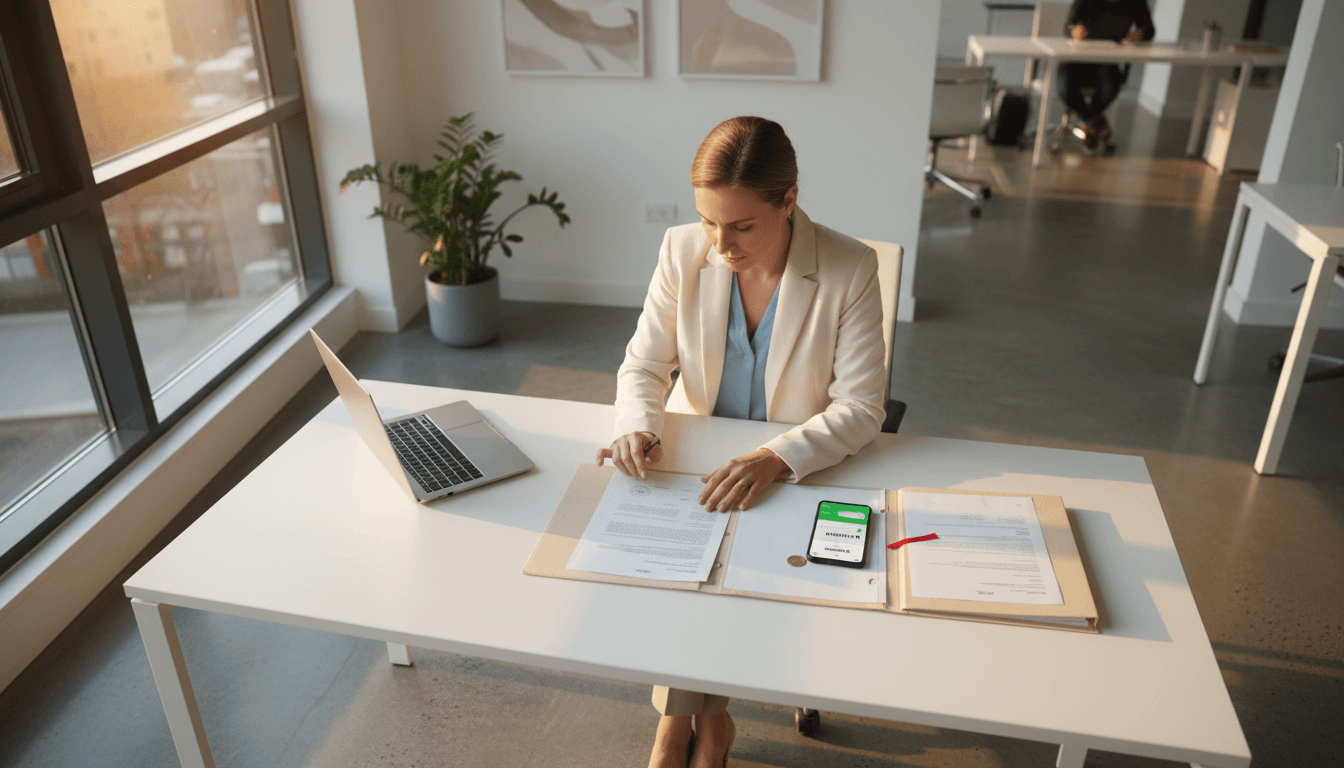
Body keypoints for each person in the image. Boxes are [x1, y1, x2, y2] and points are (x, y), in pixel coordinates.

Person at [596, 116, 887, 768]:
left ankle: (686, 725)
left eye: (741, 226)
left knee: (726, 567)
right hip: (691, 457)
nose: (720, 244)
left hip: (794, 467)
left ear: (789, 200)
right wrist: (637, 425)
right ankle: (699, 721)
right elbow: (645, 365)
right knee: (677, 561)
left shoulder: (850, 267)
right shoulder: (682, 249)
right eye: (708, 221)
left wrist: (776, 457)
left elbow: (862, 406)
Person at [1059, 0, 1155, 151]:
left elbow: (1149, 29)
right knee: (1064, 88)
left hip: (1108, 59)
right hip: (1076, 57)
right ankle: (1096, 123)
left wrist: (1140, 33)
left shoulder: (1136, 2)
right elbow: (1068, 27)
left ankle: (1090, 124)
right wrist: (1074, 32)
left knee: (1110, 88)